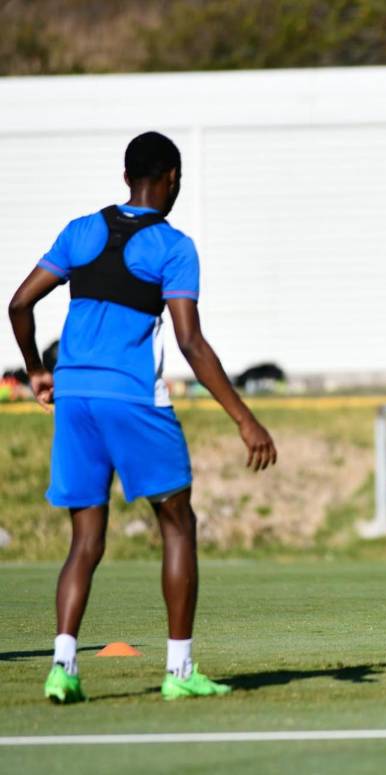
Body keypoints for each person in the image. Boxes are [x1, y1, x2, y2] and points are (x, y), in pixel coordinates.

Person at [7, 131, 277, 703]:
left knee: (85, 538)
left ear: (128, 174)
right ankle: (179, 673)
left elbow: (19, 303)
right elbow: (190, 342)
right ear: (173, 178)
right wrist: (244, 418)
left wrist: (36, 370)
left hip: (75, 396)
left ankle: (63, 667)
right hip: (131, 396)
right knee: (177, 522)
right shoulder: (174, 247)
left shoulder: (80, 230)